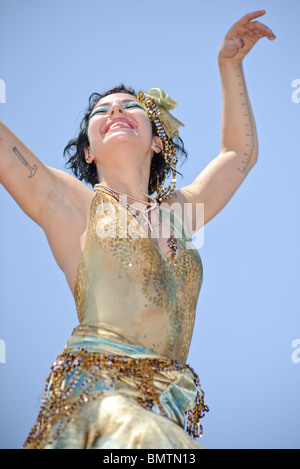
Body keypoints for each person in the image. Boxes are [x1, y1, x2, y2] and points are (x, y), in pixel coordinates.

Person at [0, 11, 275, 449]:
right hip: (103, 402)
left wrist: (231, 65)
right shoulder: (75, 205)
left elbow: (239, 154)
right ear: (88, 153)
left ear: (157, 140)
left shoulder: (179, 215)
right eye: (100, 110)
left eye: (130, 105)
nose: (115, 110)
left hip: (165, 406)